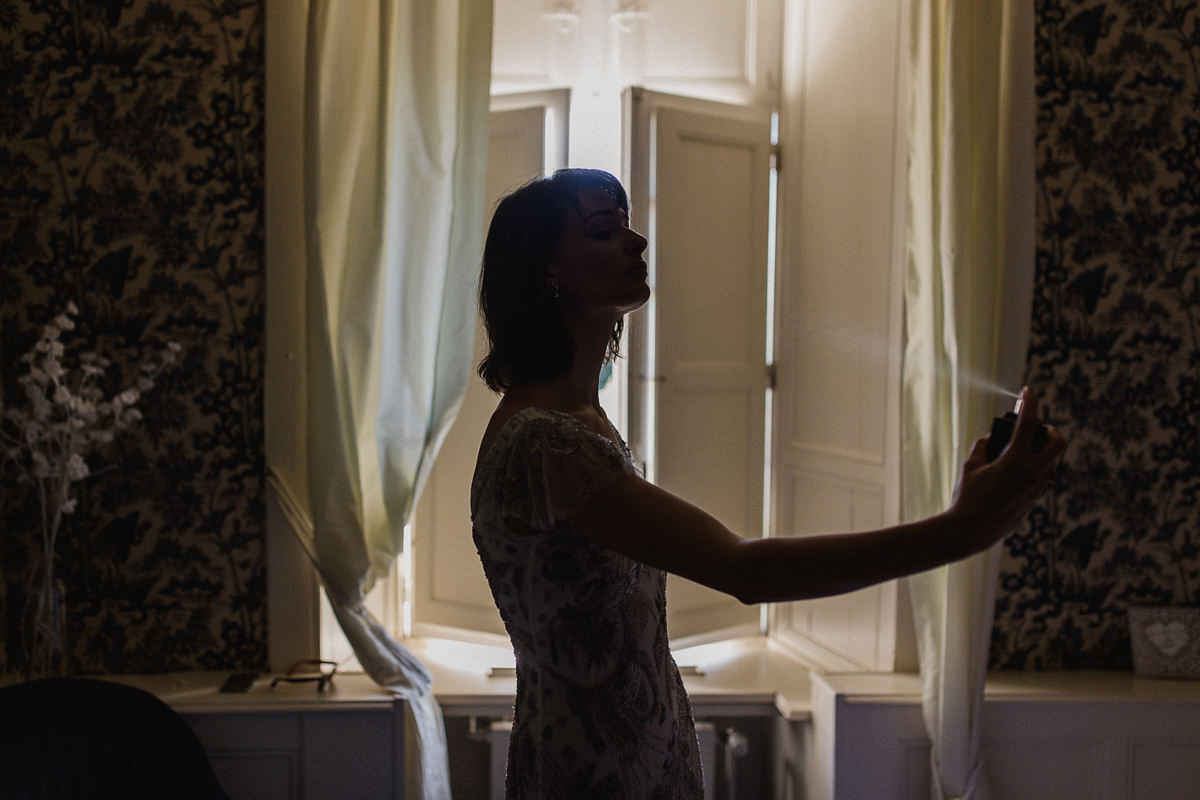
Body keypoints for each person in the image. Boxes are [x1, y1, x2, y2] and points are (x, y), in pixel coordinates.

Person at [469, 168, 1064, 798]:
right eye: (603, 231)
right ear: (546, 272)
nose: (637, 242)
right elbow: (746, 571)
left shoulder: (580, 422)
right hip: (594, 779)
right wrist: (961, 530)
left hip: (630, 761)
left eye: (629, 225)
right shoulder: (546, 442)